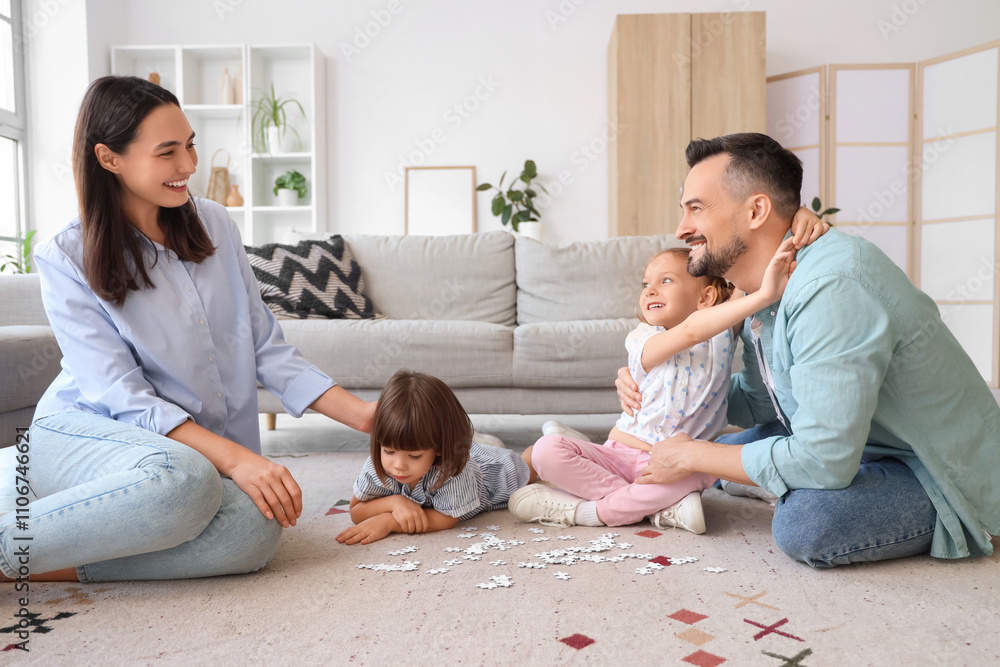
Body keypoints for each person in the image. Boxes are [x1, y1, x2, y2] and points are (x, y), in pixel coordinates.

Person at [0, 76, 375, 583]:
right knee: (186, 480)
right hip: (81, 432)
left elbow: (264, 346)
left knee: (254, 529)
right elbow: (122, 396)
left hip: (177, 454)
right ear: (109, 158)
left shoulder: (216, 225)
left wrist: (369, 418)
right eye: (168, 152)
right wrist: (237, 460)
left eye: (191, 145)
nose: (189, 165)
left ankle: (38, 555)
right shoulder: (64, 257)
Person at [619, 132, 1000, 568]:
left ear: (757, 210)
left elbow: (826, 460)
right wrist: (661, 380)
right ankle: (762, 474)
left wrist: (695, 454)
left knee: (806, 523)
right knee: (734, 448)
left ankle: (956, 515)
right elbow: (763, 405)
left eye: (696, 209)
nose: (681, 228)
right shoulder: (764, 291)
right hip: (862, 440)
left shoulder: (829, 286)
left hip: (932, 468)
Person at [508, 238, 798, 532]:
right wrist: (765, 295)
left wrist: (797, 219)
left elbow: (747, 266)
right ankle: (654, 506)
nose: (650, 289)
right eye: (646, 283)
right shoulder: (642, 338)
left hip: (679, 465)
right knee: (546, 451)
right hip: (621, 451)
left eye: (666, 280)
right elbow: (690, 332)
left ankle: (587, 512)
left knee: (708, 469)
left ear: (706, 297)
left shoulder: (722, 333)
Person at [336, 370, 533, 545]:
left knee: (532, 465)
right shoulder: (376, 465)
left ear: (439, 447)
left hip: (496, 473)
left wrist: (388, 521)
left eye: (414, 455)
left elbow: (446, 519)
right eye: (389, 451)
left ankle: (553, 440)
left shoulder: (454, 472)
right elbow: (355, 510)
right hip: (464, 451)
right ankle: (477, 444)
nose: (398, 466)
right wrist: (394, 503)